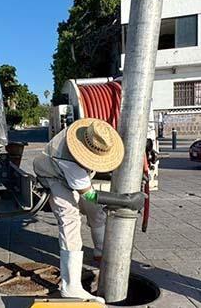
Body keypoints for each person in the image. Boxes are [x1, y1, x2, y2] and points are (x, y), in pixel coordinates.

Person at [33, 118, 124, 303]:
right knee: (70, 219)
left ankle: (100, 252)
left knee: (95, 210)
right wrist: (123, 201)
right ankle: (71, 286)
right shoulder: (69, 158)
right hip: (52, 175)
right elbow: (88, 194)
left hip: (69, 173)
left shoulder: (86, 134)